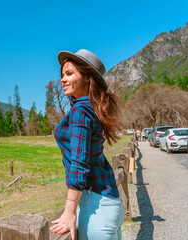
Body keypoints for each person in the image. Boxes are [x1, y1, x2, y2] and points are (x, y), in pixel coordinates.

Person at [50, 49, 125, 240]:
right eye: (62, 75)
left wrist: (69, 211)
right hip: (109, 202)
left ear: (86, 78)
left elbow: (79, 163)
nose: (62, 80)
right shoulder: (91, 108)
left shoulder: (81, 111)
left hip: (96, 207)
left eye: (69, 73)